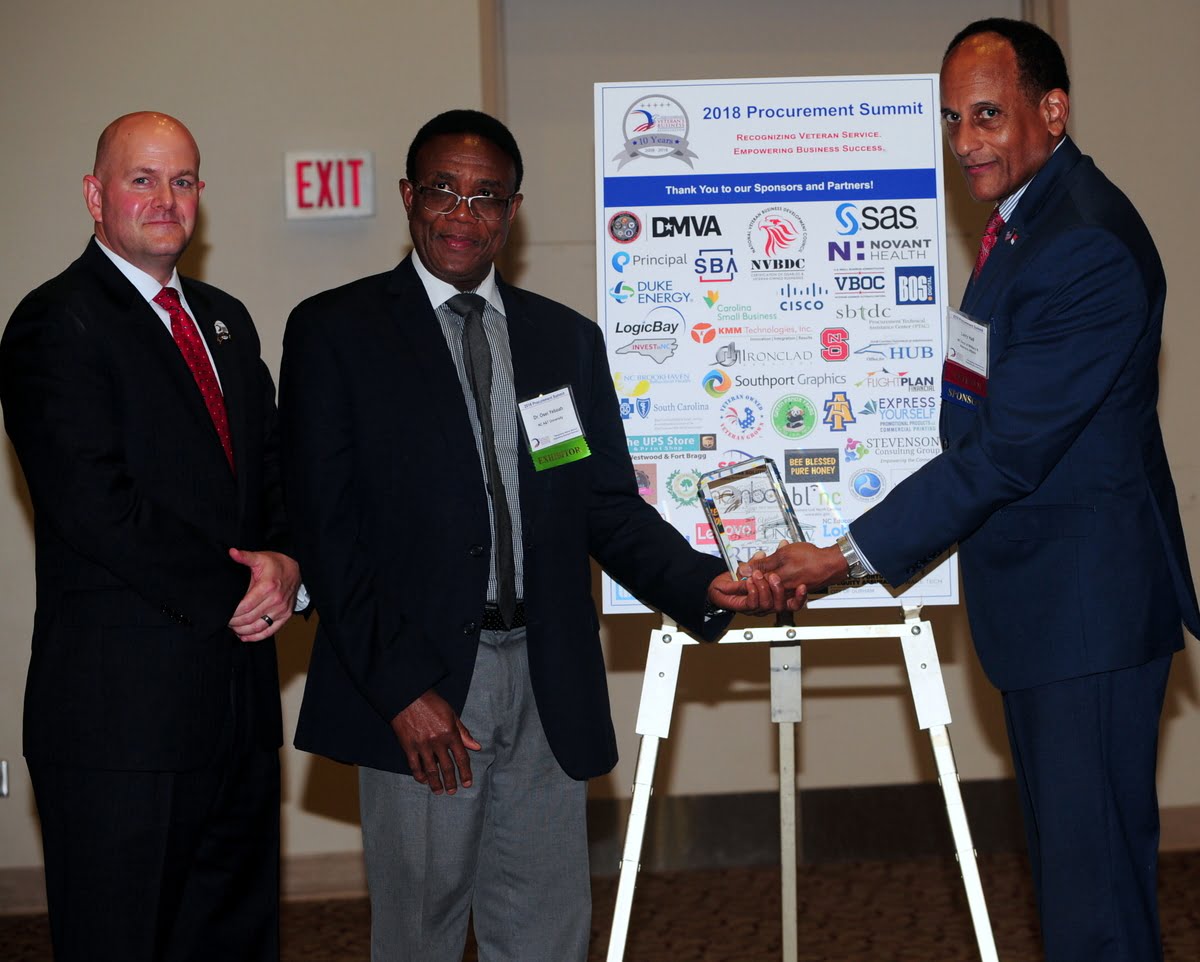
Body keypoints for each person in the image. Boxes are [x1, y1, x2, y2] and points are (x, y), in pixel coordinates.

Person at [279, 109, 787, 961]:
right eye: (442, 188)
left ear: (513, 211)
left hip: (547, 679)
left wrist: (702, 583)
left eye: (486, 196)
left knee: (546, 933)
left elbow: (605, 508)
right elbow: (326, 534)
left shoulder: (564, 341)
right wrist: (402, 689)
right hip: (424, 687)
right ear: (409, 196)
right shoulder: (337, 332)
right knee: (421, 936)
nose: (461, 213)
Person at [745, 18, 1200, 961]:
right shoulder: (1027, 222)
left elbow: (1003, 456)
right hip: (1052, 612)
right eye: (952, 120)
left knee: (1096, 901)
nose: (965, 144)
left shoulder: (1083, 246)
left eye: (987, 116)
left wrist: (841, 555)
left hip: (1089, 620)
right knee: (1076, 883)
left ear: (1052, 109)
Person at [0, 112, 300, 962]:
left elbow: (275, 474)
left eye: (183, 180)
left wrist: (287, 561)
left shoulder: (226, 321)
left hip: (237, 718)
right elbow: (94, 505)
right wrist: (240, 588)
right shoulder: (53, 323)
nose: (165, 199)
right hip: (117, 732)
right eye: (142, 179)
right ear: (96, 196)